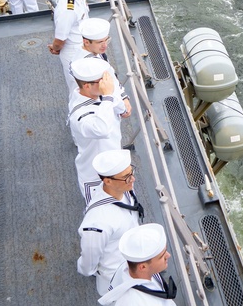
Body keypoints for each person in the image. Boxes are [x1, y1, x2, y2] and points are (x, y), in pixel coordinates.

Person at [78, 149, 144, 296]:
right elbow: (88, 261)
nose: (132, 179)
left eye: (131, 172)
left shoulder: (124, 190)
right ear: (107, 181)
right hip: (115, 277)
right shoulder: (98, 221)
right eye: (126, 177)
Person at [68, 58, 126, 202]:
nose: (108, 84)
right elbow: (102, 130)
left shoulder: (100, 96)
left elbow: (121, 109)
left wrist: (110, 95)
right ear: (87, 86)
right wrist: (107, 96)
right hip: (96, 176)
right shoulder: (80, 113)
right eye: (103, 81)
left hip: (115, 163)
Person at [98, 224, 177, 305]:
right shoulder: (135, 302)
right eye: (162, 256)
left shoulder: (126, 268)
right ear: (142, 267)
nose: (168, 255)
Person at [50, 0, 91, 91]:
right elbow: (60, 38)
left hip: (85, 46)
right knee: (78, 89)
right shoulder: (68, 10)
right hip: (74, 52)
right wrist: (55, 48)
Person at [80, 18, 131, 116]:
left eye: (106, 40)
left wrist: (123, 96)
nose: (105, 46)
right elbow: (106, 90)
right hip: (101, 108)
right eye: (99, 42)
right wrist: (123, 110)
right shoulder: (92, 66)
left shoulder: (94, 51)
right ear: (86, 42)